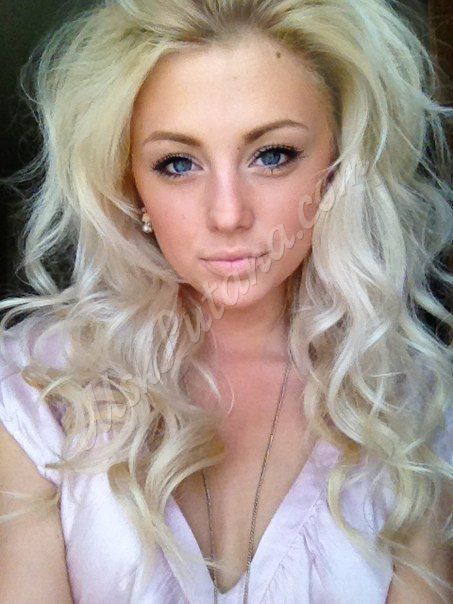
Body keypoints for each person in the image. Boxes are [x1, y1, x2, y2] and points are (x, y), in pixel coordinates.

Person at [0, 0, 451, 602]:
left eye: (273, 156)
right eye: (178, 164)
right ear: (130, 184)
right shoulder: (38, 390)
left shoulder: (413, 401)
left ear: (341, 167)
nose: (228, 214)